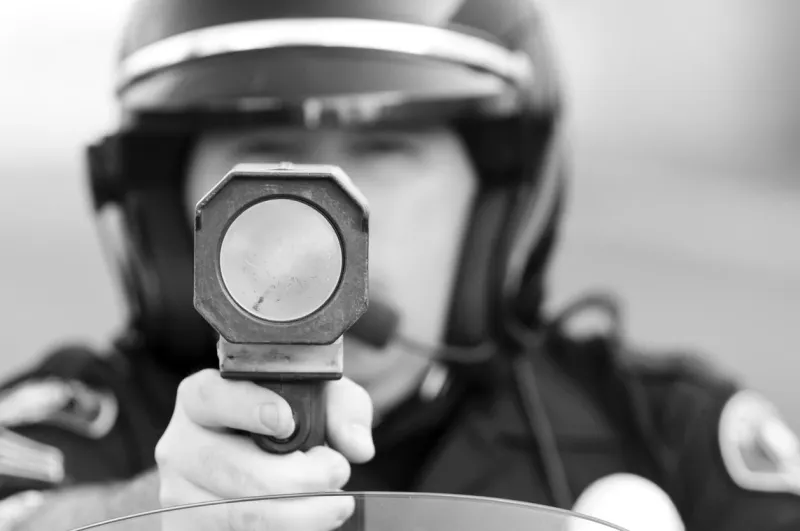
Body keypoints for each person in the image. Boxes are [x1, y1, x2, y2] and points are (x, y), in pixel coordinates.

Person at [1, 0, 800, 530]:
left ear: (496, 201)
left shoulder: (670, 437)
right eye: (262, 152)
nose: (315, 236)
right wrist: (145, 513)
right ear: (168, 209)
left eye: (383, 148)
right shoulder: (66, 431)